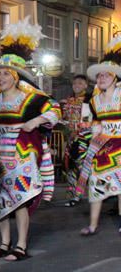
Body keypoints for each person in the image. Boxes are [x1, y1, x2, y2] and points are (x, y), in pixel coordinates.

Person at [0, 18, 61, 261]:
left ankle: (21, 245)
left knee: (20, 200)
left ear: (16, 76)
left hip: (23, 152)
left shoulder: (33, 98)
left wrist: (36, 122)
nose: (1, 77)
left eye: (6, 73)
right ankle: (5, 242)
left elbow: (55, 110)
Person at [75, 35, 121, 235]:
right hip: (103, 146)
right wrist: (94, 129)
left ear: (115, 78)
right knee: (95, 182)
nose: (102, 78)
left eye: (106, 75)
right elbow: (94, 121)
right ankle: (93, 225)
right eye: (100, 76)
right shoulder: (94, 101)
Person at [60, 74, 92, 206]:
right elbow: (65, 119)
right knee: (71, 167)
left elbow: (92, 121)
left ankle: (93, 193)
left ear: (85, 85)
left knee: (84, 168)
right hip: (71, 140)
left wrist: (79, 131)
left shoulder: (90, 101)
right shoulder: (68, 101)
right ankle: (74, 196)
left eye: (80, 83)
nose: (76, 85)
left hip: (85, 139)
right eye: (74, 83)